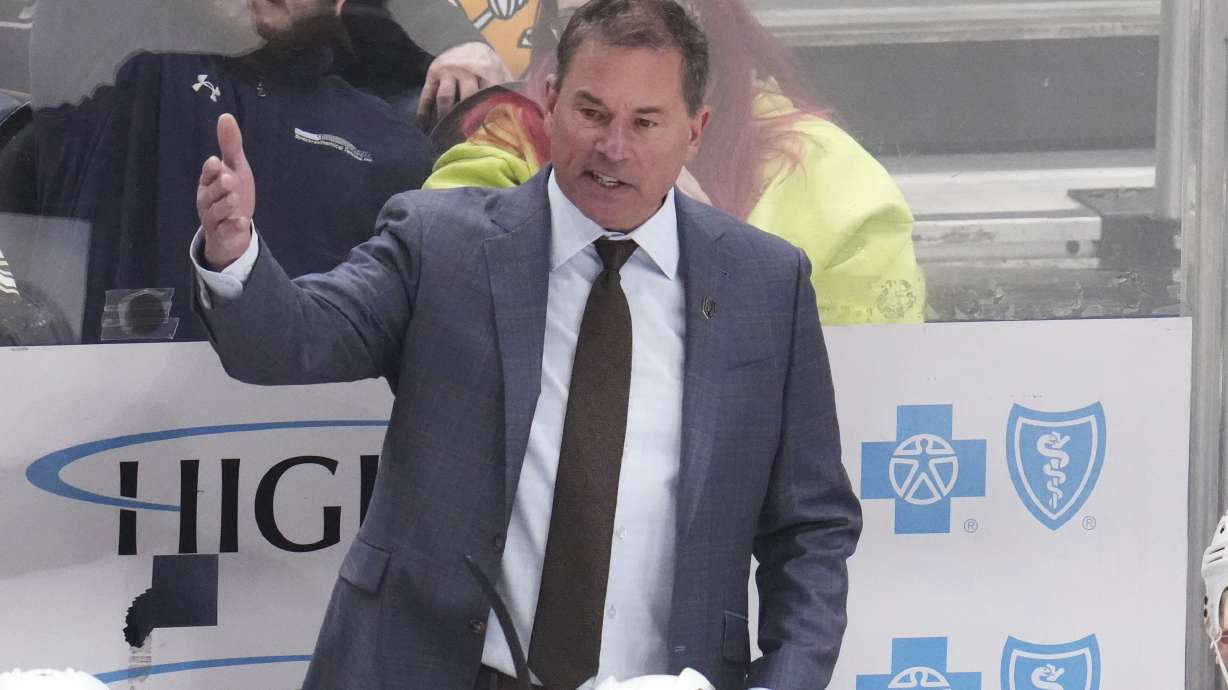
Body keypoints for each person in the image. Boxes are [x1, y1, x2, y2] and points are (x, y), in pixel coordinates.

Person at [193, 0, 861, 688]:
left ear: (696, 131)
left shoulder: (766, 285)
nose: (614, 147)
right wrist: (236, 250)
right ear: (548, 101)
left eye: (646, 122)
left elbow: (810, 530)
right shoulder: (442, 242)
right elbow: (293, 342)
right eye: (592, 113)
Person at [424, 0, 925, 326]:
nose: (617, 145)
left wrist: (712, 262)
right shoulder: (505, 149)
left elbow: (858, 401)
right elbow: (433, 300)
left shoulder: (831, 180)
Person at [28, 0, 503, 342]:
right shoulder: (126, 72)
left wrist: (453, 37)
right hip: (101, 420)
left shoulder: (387, 137)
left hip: (316, 432)